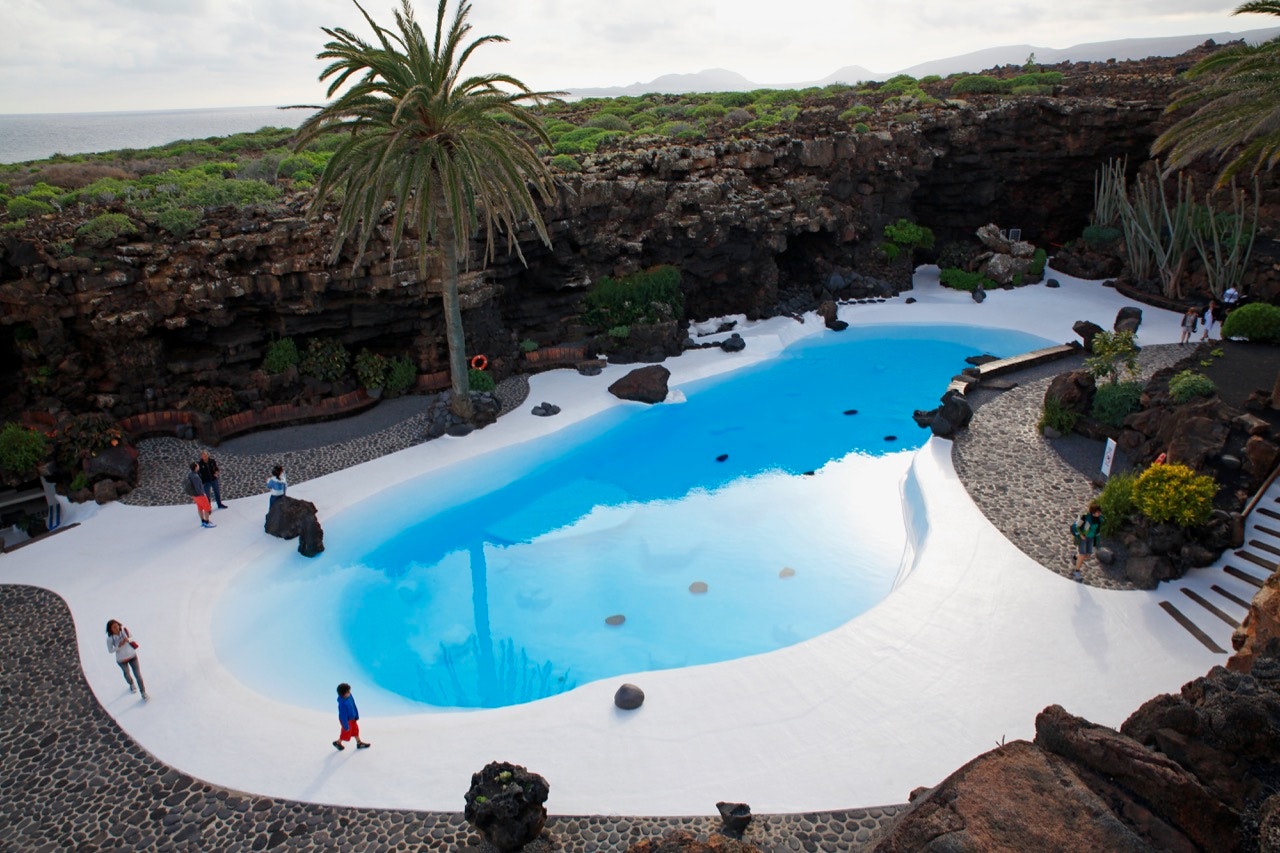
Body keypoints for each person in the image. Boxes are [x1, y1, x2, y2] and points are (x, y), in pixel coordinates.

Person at [105, 619, 148, 700]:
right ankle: (131, 683)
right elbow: (110, 650)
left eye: (117, 625)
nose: (116, 628)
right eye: (113, 627)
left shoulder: (124, 630)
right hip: (121, 660)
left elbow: (133, 638)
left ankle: (143, 692)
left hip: (132, 656)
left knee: (138, 675)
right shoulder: (110, 639)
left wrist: (127, 639)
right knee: (127, 673)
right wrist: (118, 646)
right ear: (110, 629)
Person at [333, 682, 371, 750]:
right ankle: (338, 742)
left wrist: (356, 714)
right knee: (346, 732)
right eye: (347, 692)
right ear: (343, 695)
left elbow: (353, 705)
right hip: (346, 720)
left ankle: (359, 743)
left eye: (349, 691)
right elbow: (343, 716)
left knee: (355, 729)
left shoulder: (349, 696)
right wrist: (345, 725)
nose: (349, 693)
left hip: (352, 718)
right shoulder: (343, 704)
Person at [1072, 502, 1104, 575]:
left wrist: (1097, 542)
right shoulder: (1085, 517)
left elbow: (1097, 531)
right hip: (1083, 538)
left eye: (1099, 512)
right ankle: (1077, 571)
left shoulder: (1099, 519)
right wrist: (1081, 535)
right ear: (1093, 512)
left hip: (1091, 538)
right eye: (1098, 512)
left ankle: (1075, 557)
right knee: (1082, 554)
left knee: (1087, 555)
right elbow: (1077, 526)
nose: (1099, 513)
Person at [185, 462, 215, 528]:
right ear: (196, 467)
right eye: (197, 465)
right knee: (207, 508)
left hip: (194, 495)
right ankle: (207, 522)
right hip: (200, 495)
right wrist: (203, 493)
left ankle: (203, 521)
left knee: (200, 508)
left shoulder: (190, 474)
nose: (198, 465)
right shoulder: (196, 477)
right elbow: (198, 487)